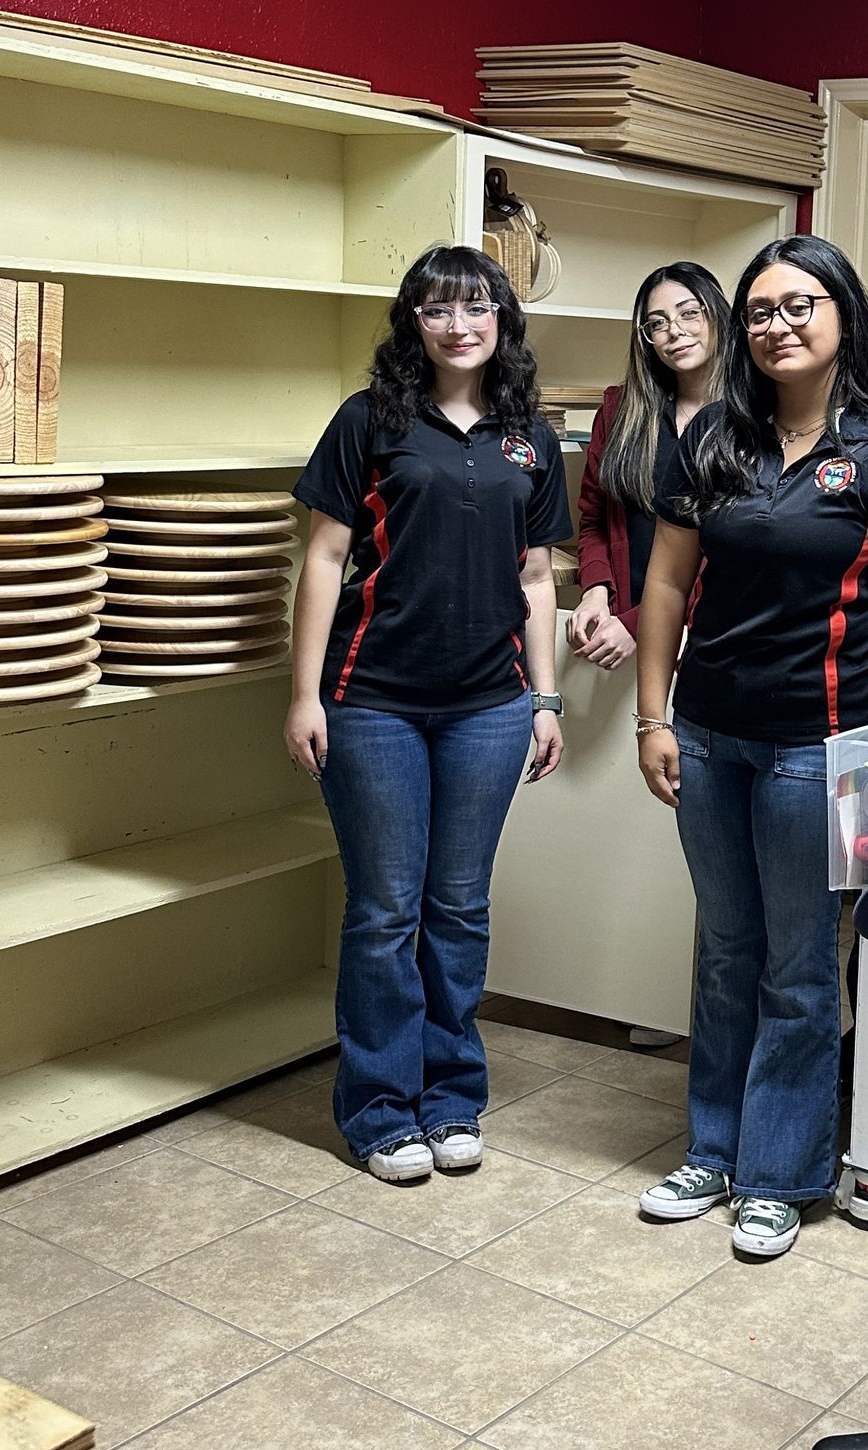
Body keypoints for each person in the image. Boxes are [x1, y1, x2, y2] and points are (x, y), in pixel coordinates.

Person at [633, 235, 868, 1256]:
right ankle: (713, 1150)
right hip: (711, 734)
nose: (778, 325)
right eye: (761, 310)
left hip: (817, 748)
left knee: (801, 967)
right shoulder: (715, 440)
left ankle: (780, 1173)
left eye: (799, 305)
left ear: (843, 316)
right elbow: (669, 586)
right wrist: (652, 714)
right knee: (726, 953)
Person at [286, 244, 570, 1183]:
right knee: (382, 912)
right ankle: (377, 1110)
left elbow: (537, 577)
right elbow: (324, 560)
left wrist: (545, 697)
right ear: (414, 323)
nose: (460, 325)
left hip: (490, 706)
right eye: (439, 310)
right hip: (373, 702)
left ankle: (451, 1099)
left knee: (459, 908)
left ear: (502, 321)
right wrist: (305, 694)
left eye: (477, 307)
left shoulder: (529, 435)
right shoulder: (369, 422)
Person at [569, 262, 733, 1051]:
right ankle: (636, 989)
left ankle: (681, 1002)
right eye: (656, 322)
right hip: (624, 626)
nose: (673, 333)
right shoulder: (622, 406)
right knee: (621, 819)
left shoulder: (751, 413)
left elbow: (725, 550)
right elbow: (596, 509)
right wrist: (599, 589)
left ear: (718, 317)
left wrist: (639, 621)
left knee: (688, 829)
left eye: (688, 314)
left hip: (709, 633)